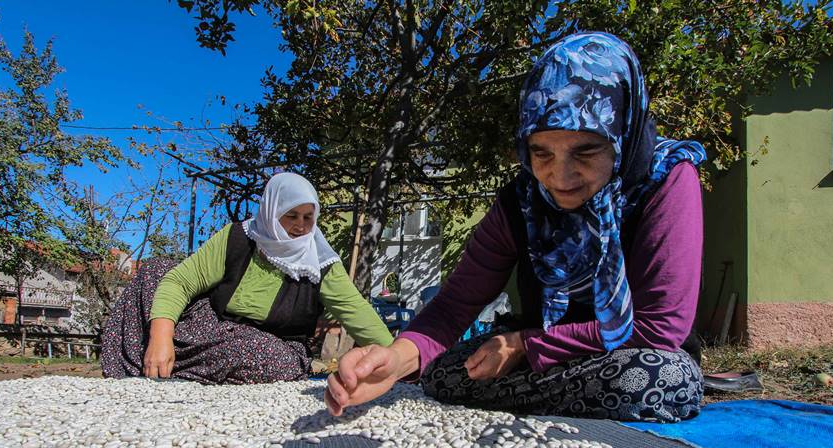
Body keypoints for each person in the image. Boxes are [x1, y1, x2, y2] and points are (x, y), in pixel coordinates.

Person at [325, 32, 707, 422]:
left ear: (621, 135)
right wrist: (395, 358)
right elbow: (456, 303)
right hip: (541, 357)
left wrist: (526, 344)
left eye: (586, 150)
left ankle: (545, 398)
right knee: (444, 372)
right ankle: (565, 401)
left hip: (625, 353)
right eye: (541, 152)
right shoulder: (520, 202)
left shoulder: (666, 181)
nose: (560, 176)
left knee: (658, 377)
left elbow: (659, 327)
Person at [101, 173, 393, 385]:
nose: (300, 226)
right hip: (206, 330)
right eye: (291, 215)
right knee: (156, 272)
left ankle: (181, 370)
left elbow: (357, 311)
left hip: (270, 345)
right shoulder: (239, 238)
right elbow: (181, 282)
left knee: (265, 356)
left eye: (308, 217)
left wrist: (396, 359)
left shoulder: (320, 263)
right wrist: (161, 337)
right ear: (271, 211)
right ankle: (144, 364)